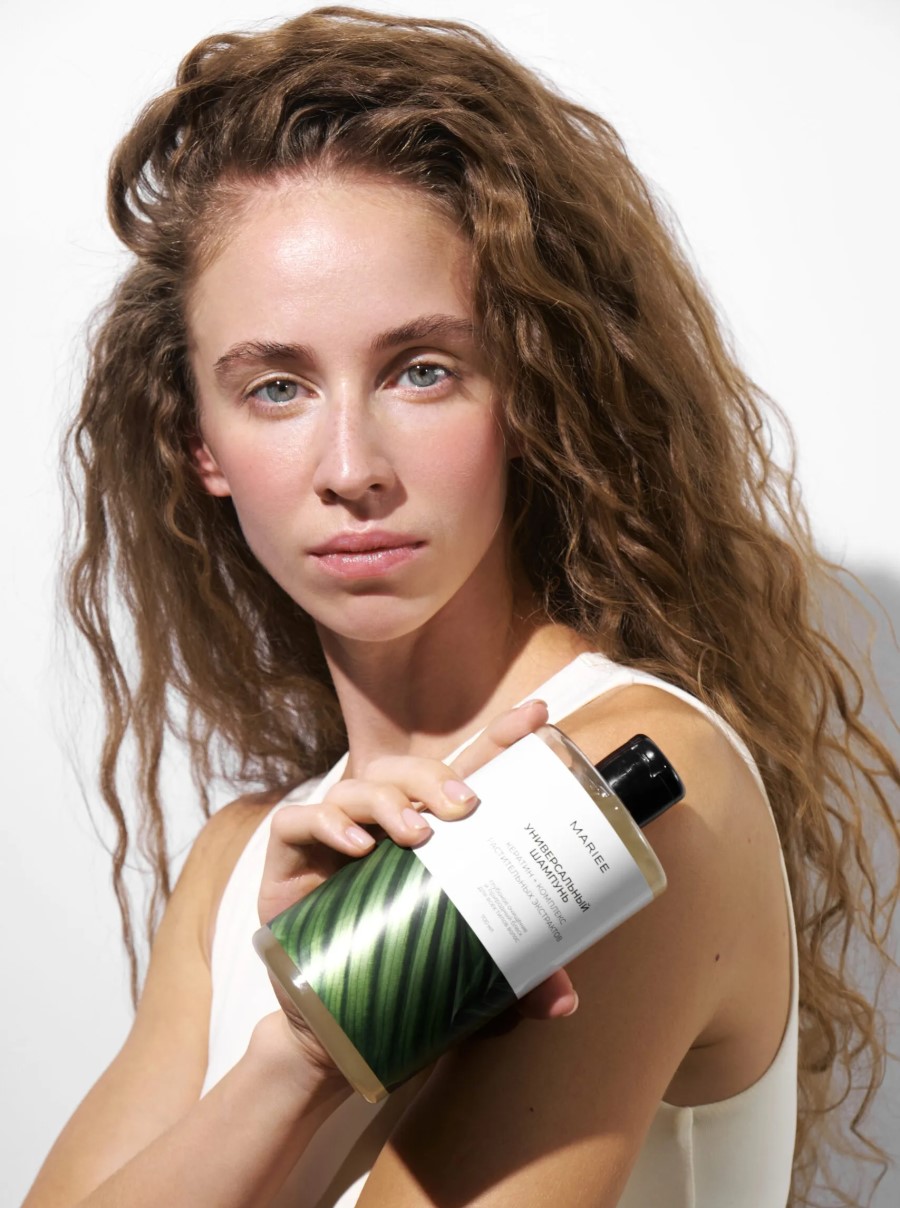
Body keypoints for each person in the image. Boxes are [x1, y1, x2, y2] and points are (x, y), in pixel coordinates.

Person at [24, 6, 899, 1206]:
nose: (351, 467)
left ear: (528, 392)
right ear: (200, 443)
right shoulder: (240, 870)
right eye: (275, 386)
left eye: (421, 369)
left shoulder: (625, 793)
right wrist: (299, 1058)